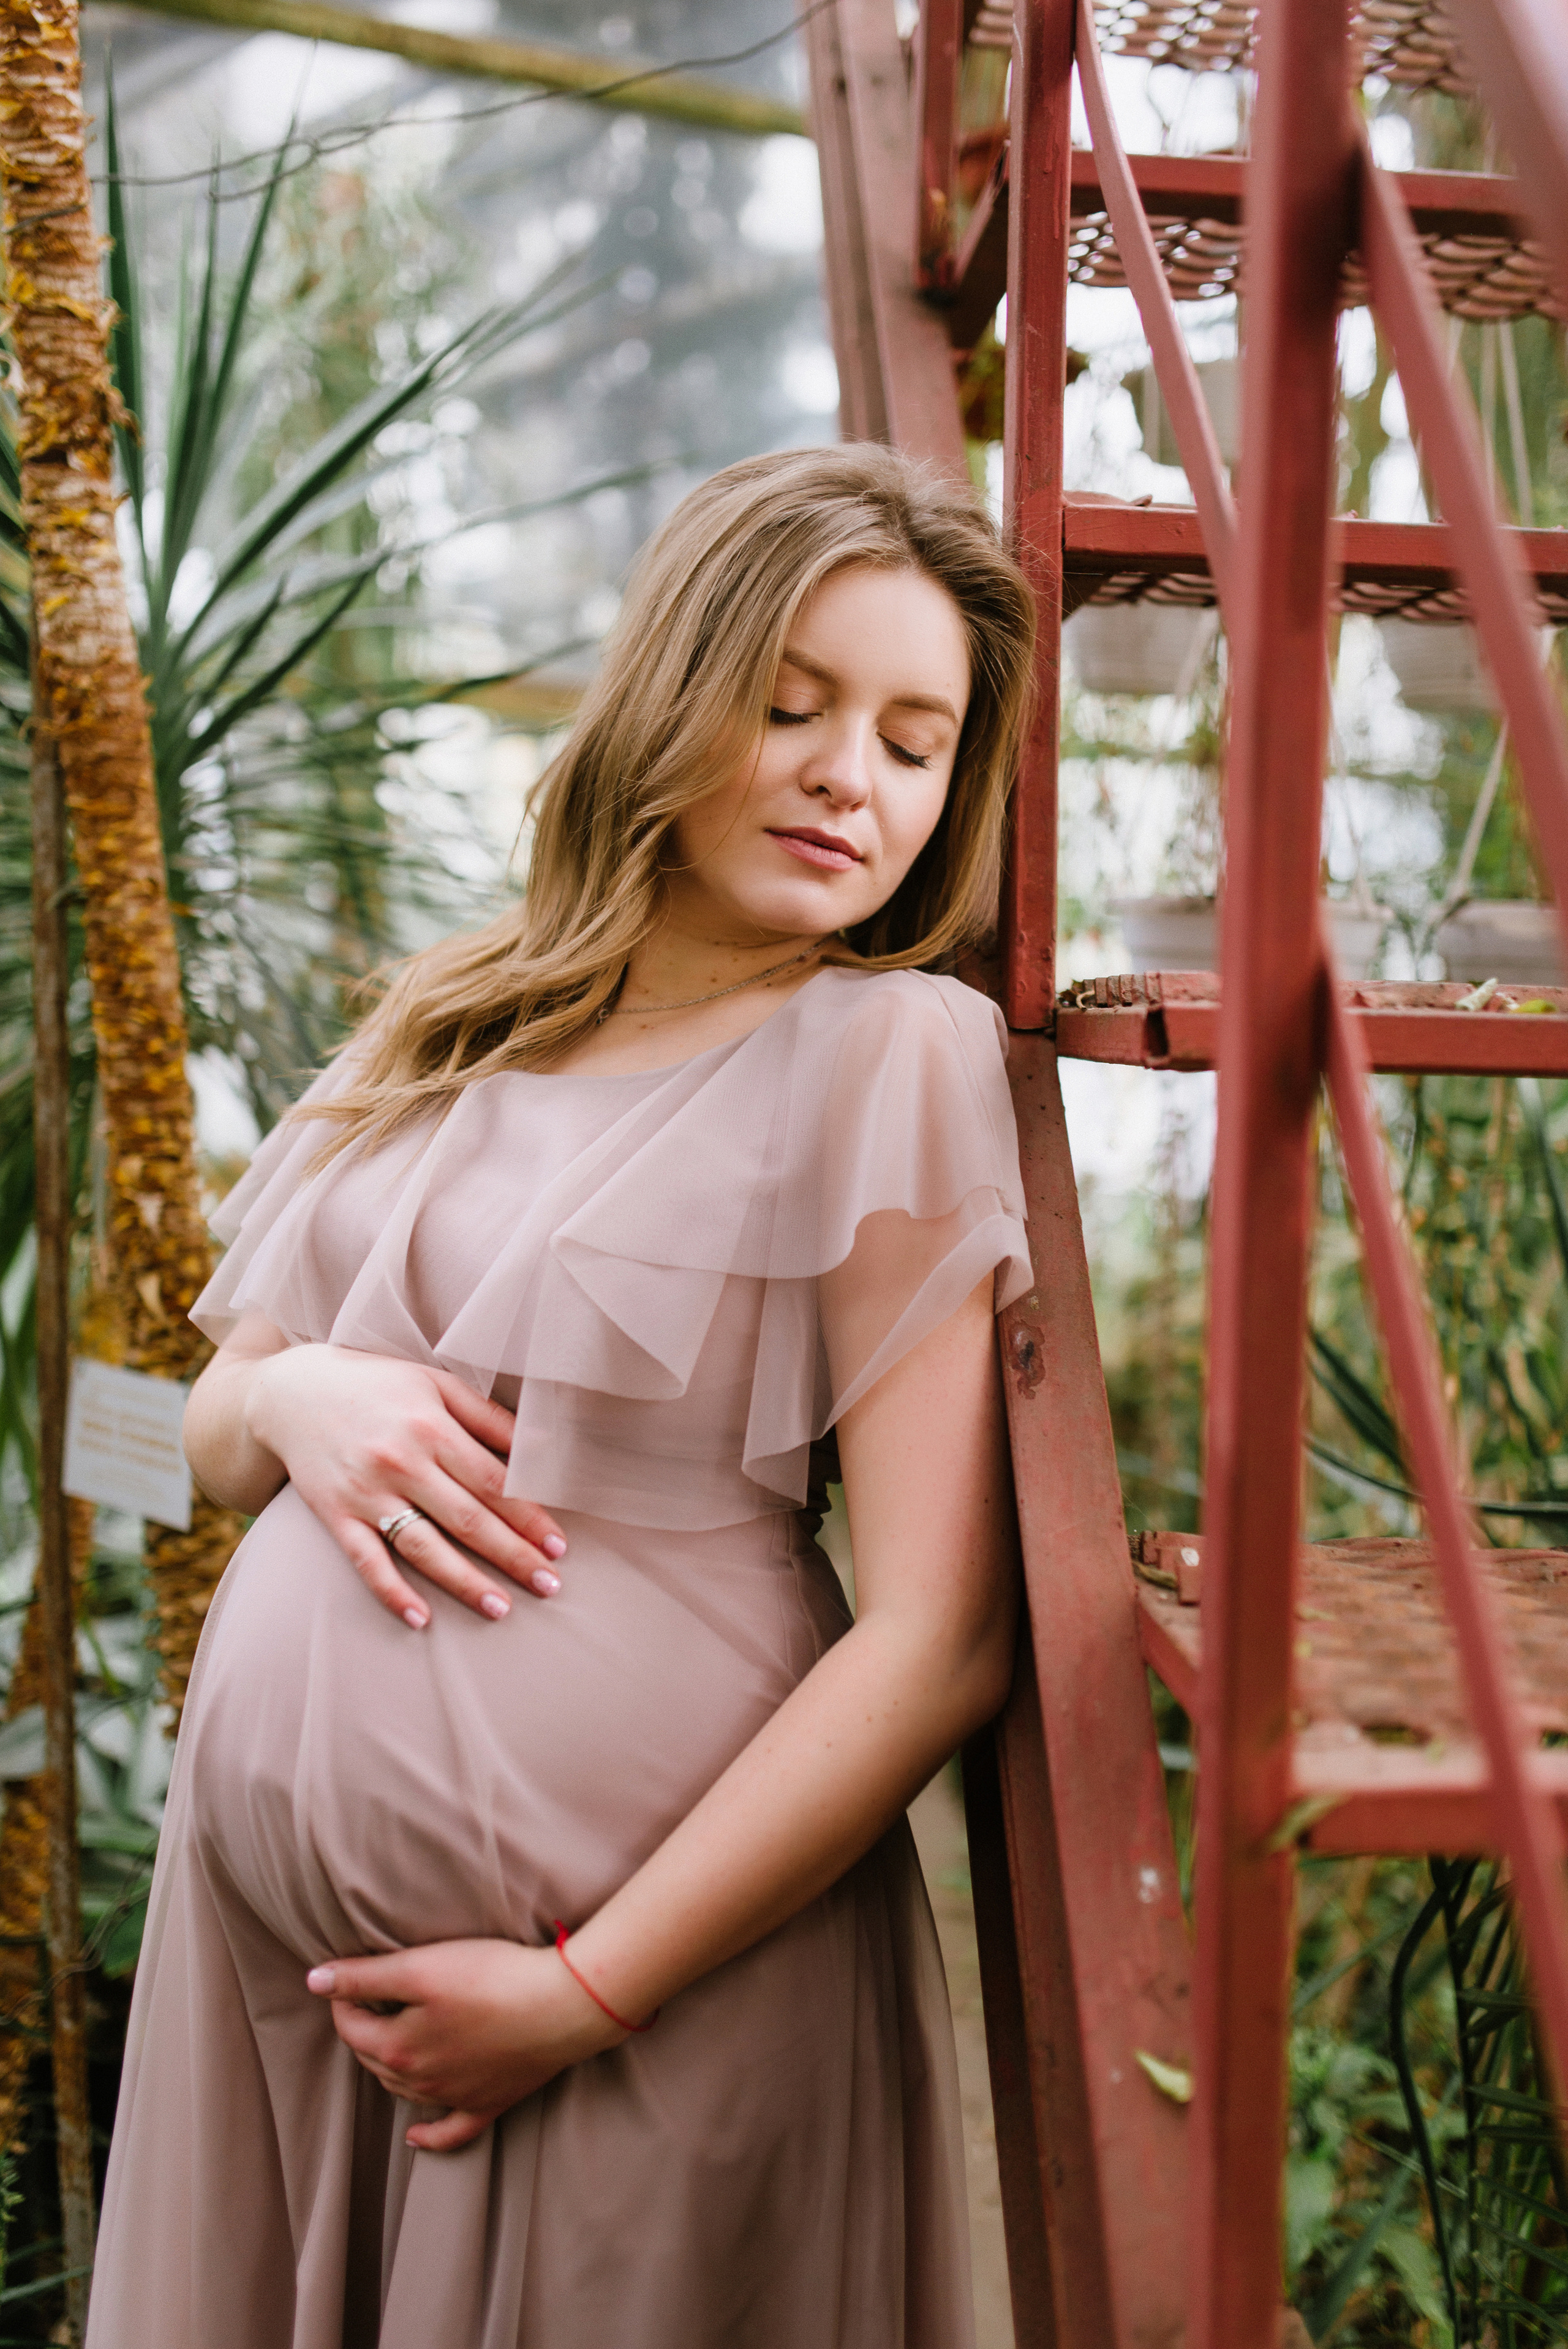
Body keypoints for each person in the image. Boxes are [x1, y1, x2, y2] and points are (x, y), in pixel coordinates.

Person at [88, 444, 1037, 2349]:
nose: (856, 775)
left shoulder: (890, 1056)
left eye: (917, 742)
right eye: (793, 706)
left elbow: (942, 1636)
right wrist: (296, 1409)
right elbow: (127, 1447)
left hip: (639, 2006)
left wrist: (587, 1989)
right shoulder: (442, 1020)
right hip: (272, 1996)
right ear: (673, 693)